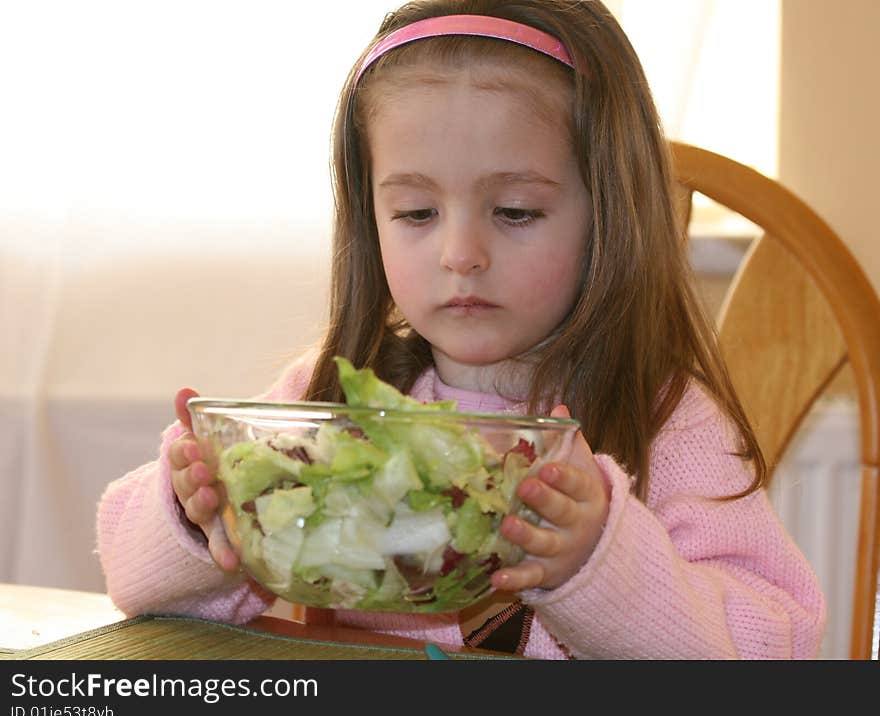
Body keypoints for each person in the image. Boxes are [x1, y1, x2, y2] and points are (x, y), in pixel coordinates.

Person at [96, 0, 826, 659]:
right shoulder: (328, 402)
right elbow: (139, 587)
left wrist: (599, 559)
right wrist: (199, 514)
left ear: (607, 214)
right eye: (416, 213)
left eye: (514, 212)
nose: (460, 255)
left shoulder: (672, 424)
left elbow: (771, 648)